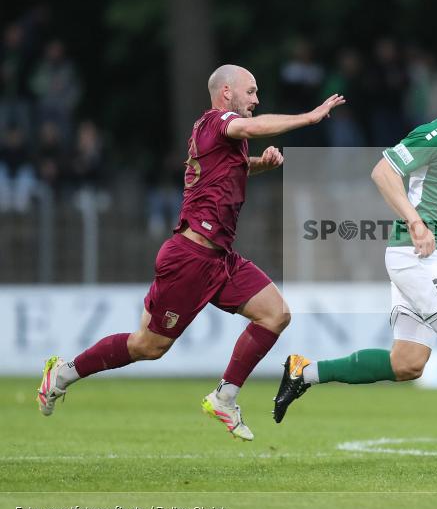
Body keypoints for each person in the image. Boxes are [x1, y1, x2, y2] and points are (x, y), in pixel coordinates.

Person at [36, 64, 345, 441]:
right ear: (227, 92)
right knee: (147, 346)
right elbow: (248, 127)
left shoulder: (215, 134)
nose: (257, 99)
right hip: (191, 258)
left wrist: (261, 164)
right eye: (251, 91)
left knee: (275, 314)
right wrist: (309, 118)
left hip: (220, 258)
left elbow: (230, 171)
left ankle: (225, 397)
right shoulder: (220, 121)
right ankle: (64, 373)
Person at [273, 53, 437, 473]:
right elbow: (383, 171)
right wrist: (416, 222)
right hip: (417, 255)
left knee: (406, 363)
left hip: (425, 257)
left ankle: (305, 371)